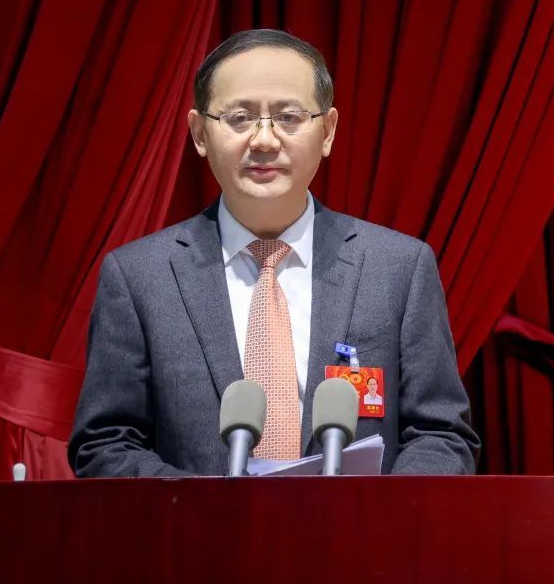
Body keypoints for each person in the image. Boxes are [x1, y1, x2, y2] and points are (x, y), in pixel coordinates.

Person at [69, 29, 479, 476]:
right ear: (200, 133)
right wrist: (210, 508)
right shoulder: (140, 277)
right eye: (240, 118)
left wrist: (374, 510)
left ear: (327, 131)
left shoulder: (397, 268)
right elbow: (106, 444)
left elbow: (441, 434)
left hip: (359, 523)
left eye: (288, 117)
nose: (264, 140)